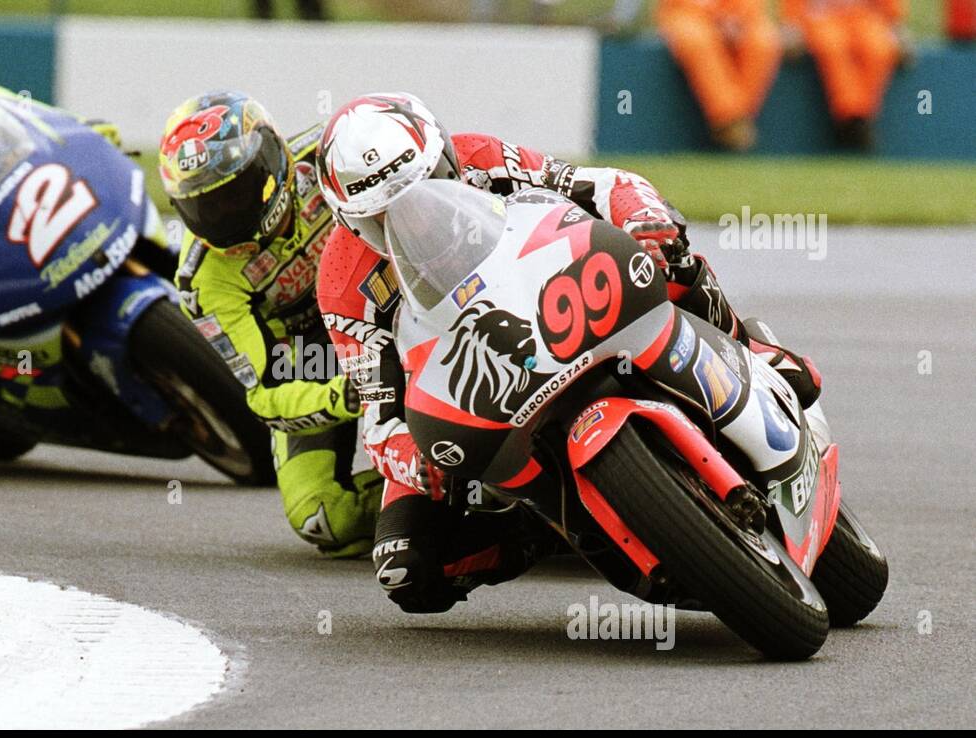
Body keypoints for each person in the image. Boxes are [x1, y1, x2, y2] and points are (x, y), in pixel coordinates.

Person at [314, 92, 822, 612]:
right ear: (352, 221)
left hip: (569, 297)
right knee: (407, 571)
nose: (416, 222)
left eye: (429, 188)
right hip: (480, 391)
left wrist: (645, 221)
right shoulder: (342, 282)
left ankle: (745, 343)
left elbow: (605, 185)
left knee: (669, 256)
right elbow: (378, 416)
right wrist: (412, 460)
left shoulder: (484, 157)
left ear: (446, 157)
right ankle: (534, 525)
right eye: (384, 218)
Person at [158, 92, 382, 557]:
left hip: (389, 305)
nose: (223, 218)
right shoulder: (202, 280)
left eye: (235, 194)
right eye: (205, 209)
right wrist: (348, 395)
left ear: (271, 159)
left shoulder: (333, 153)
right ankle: (442, 504)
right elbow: (264, 396)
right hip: (309, 359)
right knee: (320, 517)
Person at [780, 0, 908, 150]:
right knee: (831, 46)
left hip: (865, 16)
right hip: (821, 15)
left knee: (878, 48)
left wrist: (896, 24)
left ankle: (858, 118)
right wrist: (792, 23)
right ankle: (853, 119)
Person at [656, 0, 783, 152]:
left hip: (736, 17)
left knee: (764, 40)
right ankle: (730, 119)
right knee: (696, 40)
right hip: (687, 15)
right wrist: (714, 18)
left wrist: (735, 18)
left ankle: (734, 120)